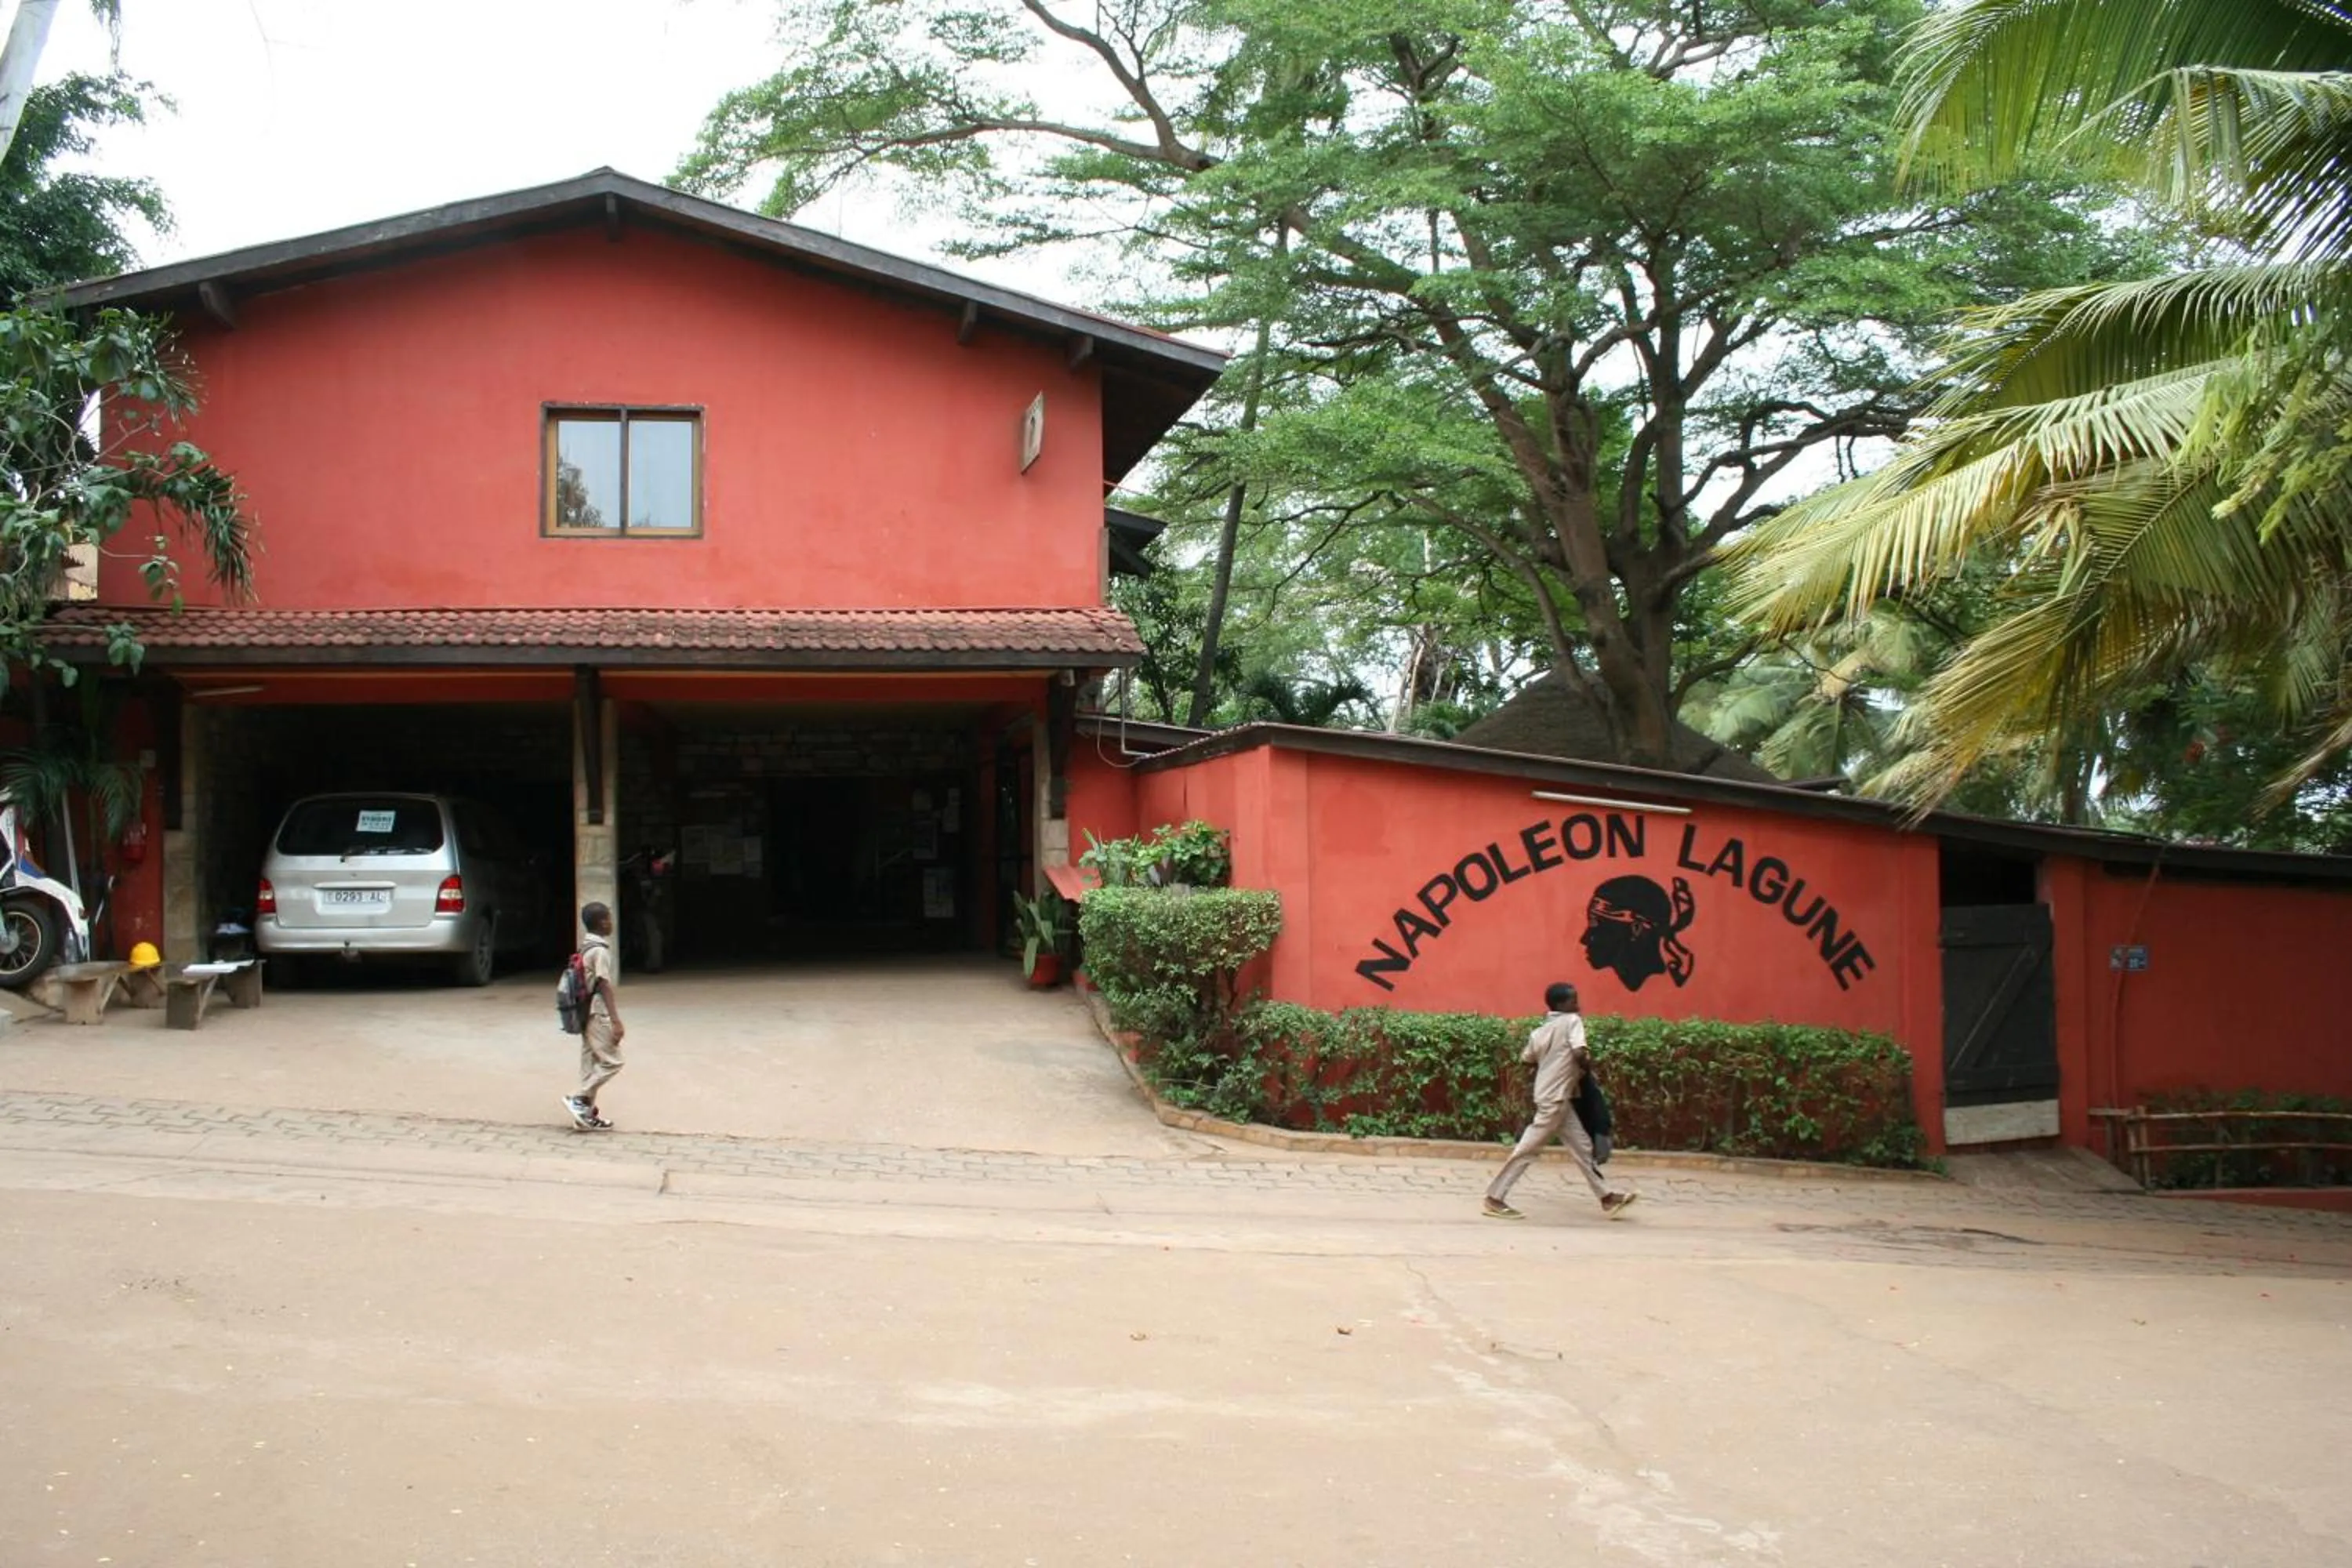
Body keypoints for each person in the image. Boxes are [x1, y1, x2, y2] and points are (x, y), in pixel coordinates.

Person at [1483, 982, 1636, 1221]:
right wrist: (1586, 1066)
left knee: (1583, 1148)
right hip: (1555, 1099)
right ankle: (1495, 1197)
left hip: (1555, 1096)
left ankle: (1606, 1197)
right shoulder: (1572, 1021)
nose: (1577, 1004)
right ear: (1562, 1004)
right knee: (1527, 1149)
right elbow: (1579, 1051)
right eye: (1573, 1000)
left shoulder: (1541, 1031)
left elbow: (1527, 1059)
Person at [561, 902, 626, 1131]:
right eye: (609, 918)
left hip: (583, 1012)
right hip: (597, 1012)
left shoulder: (585, 946)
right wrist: (616, 1021)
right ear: (602, 922)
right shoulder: (599, 951)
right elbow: (604, 984)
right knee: (613, 1061)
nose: (611, 923)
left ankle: (585, 1114)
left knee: (590, 1063)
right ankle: (579, 1099)